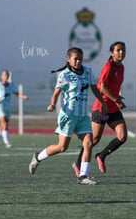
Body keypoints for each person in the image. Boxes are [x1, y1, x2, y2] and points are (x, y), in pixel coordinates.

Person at [28, 47, 107, 185]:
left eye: (80, 59)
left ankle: (83, 176)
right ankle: (38, 157)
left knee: (88, 143)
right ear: (68, 59)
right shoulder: (64, 75)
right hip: (69, 116)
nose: (78, 61)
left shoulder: (88, 71)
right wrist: (52, 104)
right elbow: (56, 93)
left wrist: (103, 102)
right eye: (75, 59)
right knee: (62, 147)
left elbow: (94, 89)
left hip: (82, 116)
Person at [72, 41, 127, 176]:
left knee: (122, 136)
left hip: (113, 108)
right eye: (118, 50)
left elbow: (112, 86)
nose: (121, 53)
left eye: (123, 50)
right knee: (93, 140)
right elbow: (101, 87)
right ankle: (78, 163)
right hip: (102, 108)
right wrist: (116, 99)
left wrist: (117, 96)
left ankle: (101, 156)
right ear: (111, 53)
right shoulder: (108, 67)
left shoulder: (121, 67)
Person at [0, 70, 28, 148]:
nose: (5, 76)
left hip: (7, 106)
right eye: (4, 75)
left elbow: (17, 93)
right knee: (3, 121)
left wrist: (23, 97)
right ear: (1, 76)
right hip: (0, 105)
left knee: (4, 124)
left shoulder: (11, 85)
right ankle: (7, 143)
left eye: (7, 75)